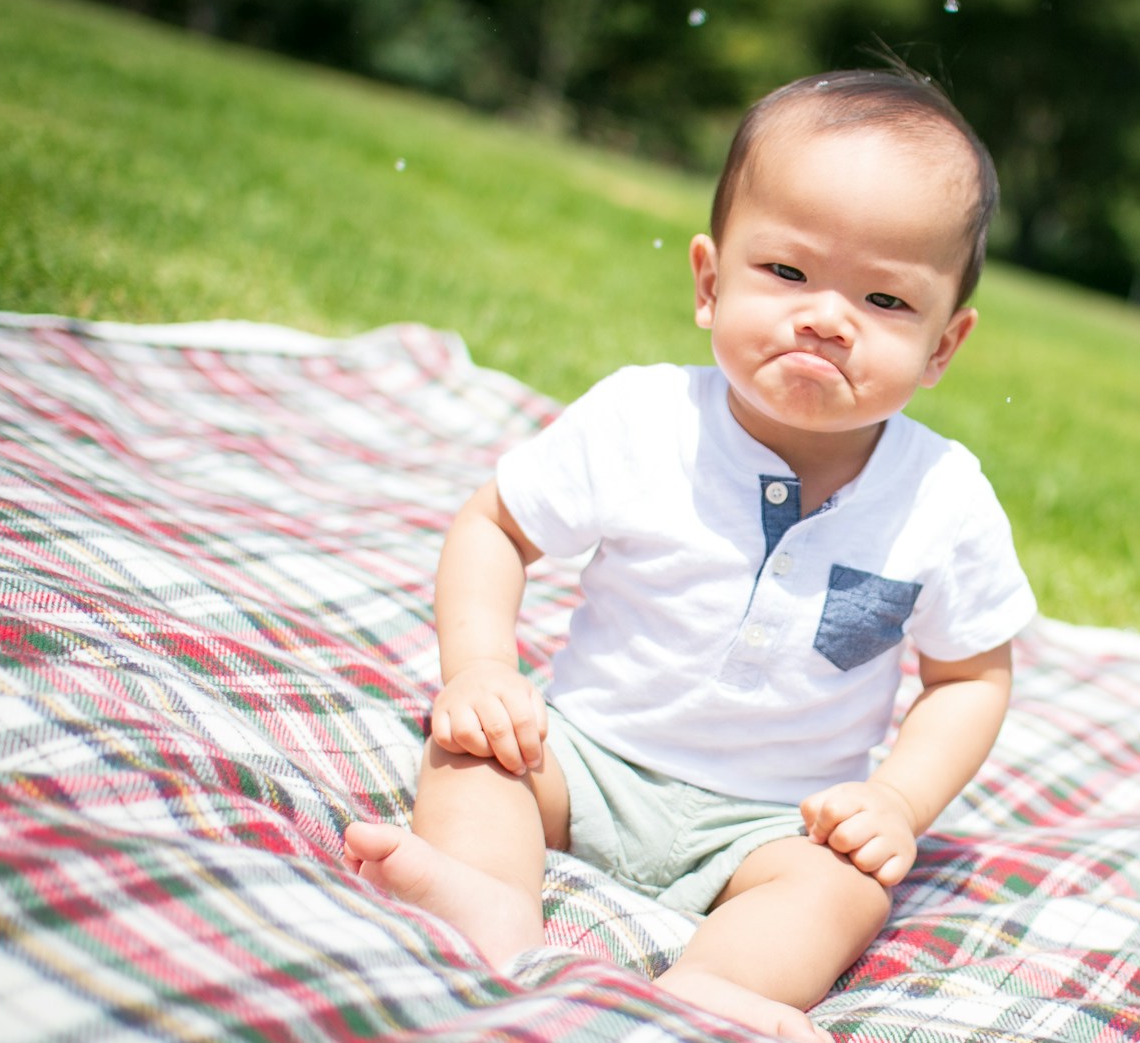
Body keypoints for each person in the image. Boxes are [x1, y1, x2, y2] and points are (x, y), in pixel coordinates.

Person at [343, 66, 1038, 1042]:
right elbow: (495, 526)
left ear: (942, 346)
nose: (827, 317)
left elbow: (969, 676)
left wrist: (893, 798)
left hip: (777, 819)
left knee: (844, 889)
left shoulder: (942, 498)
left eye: (884, 298)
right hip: (580, 752)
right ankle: (488, 900)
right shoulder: (644, 419)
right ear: (710, 283)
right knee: (472, 752)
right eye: (787, 273)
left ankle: (716, 983)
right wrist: (483, 667)